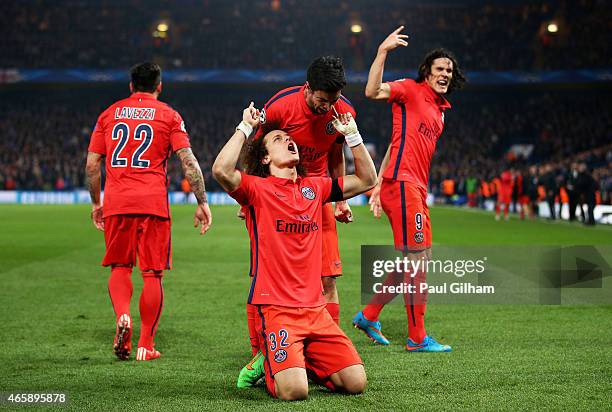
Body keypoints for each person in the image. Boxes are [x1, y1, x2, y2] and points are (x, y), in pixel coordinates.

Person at [213, 103, 376, 400]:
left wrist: (352, 135)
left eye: (289, 139)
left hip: (316, 310)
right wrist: (245, 127)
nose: (288, 141)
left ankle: (300, 358)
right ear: (265, 157)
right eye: (277, 139)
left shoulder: (315, 188)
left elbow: (367, 180)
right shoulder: (256, 189)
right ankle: (269, 363)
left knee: (355, 383)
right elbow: (221, 170)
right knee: (295, 392)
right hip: (278, 310)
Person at [86, 62, 212, 361]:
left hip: (117, 201)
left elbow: (92, 164)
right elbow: (189, 162)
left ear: (131, 86)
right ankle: (145, 344)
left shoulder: (109, 113)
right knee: (152, 274)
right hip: (153, 204)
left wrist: (96, 203)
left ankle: (122, 316)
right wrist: (202, 201)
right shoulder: (169, 115)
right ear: (160, 86)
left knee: (120, 268)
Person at [354, 26, 465, 351]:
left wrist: (376, 186)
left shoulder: (440, 113)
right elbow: (372, 92)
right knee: (416, 261)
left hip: (413, 188)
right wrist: (382, 52)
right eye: (440, 69)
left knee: (415, 260)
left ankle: (369, 314)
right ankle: (417, 338)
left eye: (449, 70)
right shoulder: (409, 89)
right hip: (402, 186)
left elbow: (396, 142)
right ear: (427, 73)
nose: (445, 73)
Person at [241, 56, 356, 357]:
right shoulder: (280, 105)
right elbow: (257, 150)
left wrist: (341, 200)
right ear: (308, 88)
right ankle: (260, 353)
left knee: (327, 276)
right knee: (263, 275)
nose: (327, 106)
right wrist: (249, 199)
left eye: (334, 99)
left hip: (317, 192)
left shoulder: (342, 112)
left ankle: (325, 348)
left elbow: (336, 155)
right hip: (274, 195)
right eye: (322, 100)